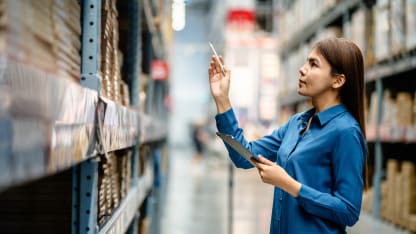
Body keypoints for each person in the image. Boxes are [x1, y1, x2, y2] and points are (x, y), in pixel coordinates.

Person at [208, 37, 367, 234]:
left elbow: (348, 211)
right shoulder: (297, 123)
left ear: (338, 80)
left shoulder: (346, 132)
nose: (302, 69)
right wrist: (222, 99)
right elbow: (244, 156)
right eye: (306, 62)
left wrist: (289, 185)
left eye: (313, 64)